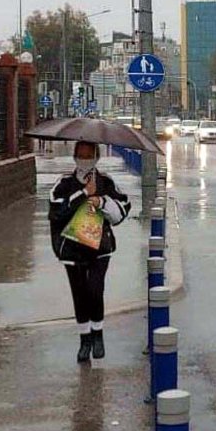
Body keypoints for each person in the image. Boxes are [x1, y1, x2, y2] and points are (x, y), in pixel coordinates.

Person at [49, 141, 131, 363]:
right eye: (81, 155)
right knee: (80, 293)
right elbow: (57, 212)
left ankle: (98, 334)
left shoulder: (105, 182)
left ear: (97, 156)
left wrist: (101, 201)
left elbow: (122, 210)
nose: (85, 159)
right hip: (72, 250)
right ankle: (84, 339)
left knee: (95, 290)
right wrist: (84, 193)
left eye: (89, 155)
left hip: (99, 249)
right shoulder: (63, 184)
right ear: (75, 156)